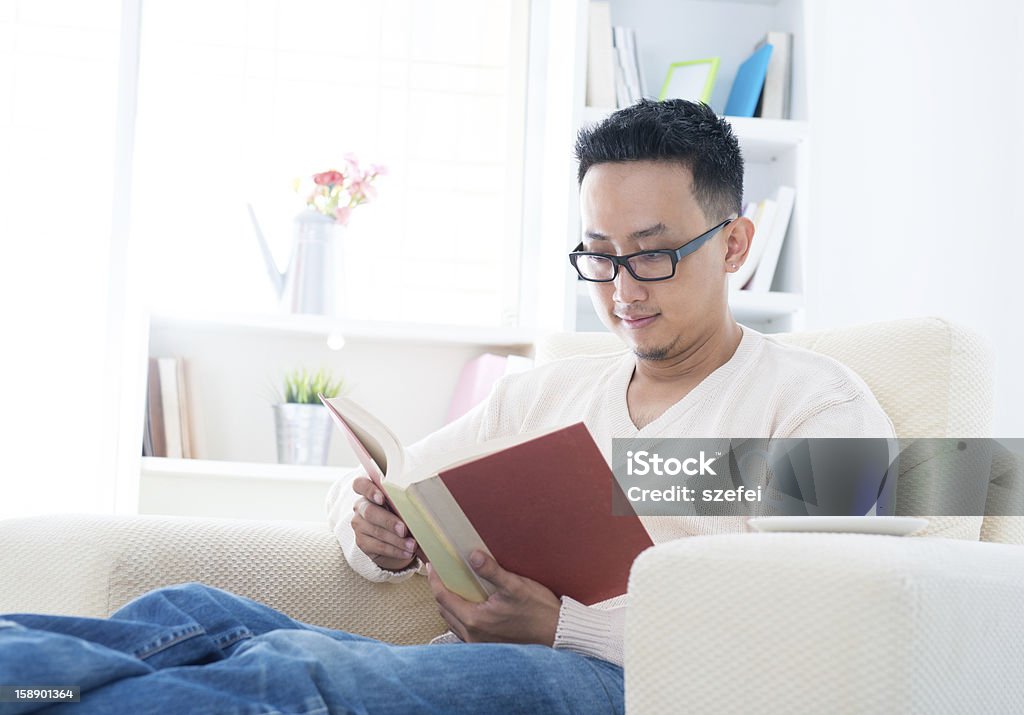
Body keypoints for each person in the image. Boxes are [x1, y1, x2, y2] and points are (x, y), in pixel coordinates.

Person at [0, 99, 894, 714]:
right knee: (194, 611)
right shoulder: (549, 392)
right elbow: (399, 479)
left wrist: (560, 625)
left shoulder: (818, 410)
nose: (622, 289)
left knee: (293, 669)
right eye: (598, 255)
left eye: (652, 254)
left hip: (633, 691)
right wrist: (373, 529)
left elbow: (806, 627)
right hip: (475, 667)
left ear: (734, 242)